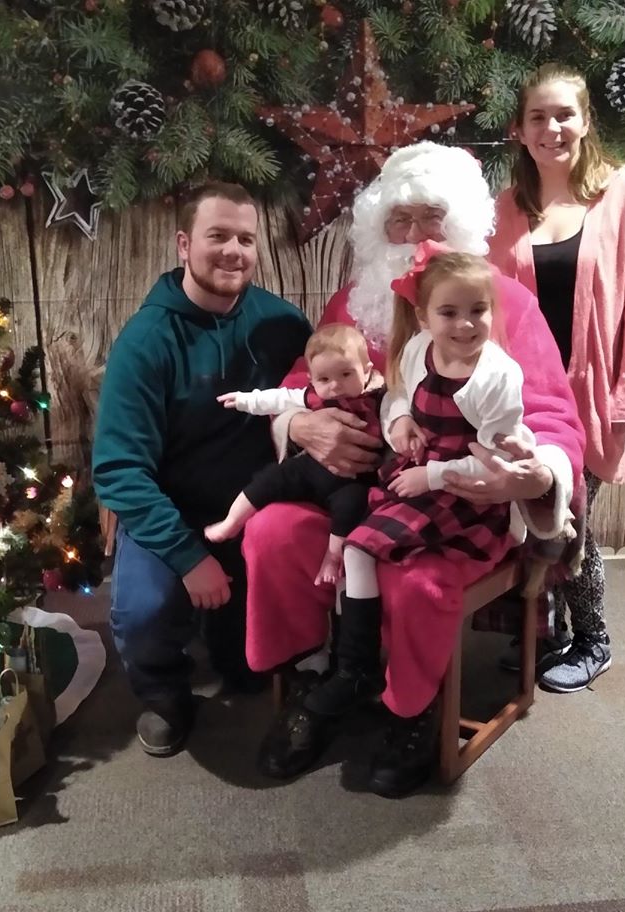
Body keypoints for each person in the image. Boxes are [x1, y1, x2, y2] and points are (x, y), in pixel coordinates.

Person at [242, 142, 586, 798]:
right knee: (274, 535)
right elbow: (300, 383)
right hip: (350, 489)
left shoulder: (501, 302)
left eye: (429, 216)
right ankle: (322, 674)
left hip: (453, 493)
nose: (412, 234)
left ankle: (413, 706)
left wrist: (534, 476)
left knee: (416, 583)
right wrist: (299, 424)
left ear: (458, 223)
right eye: (397, 220)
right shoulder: (354, 301)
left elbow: (548, 417)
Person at [92, 181, 311, 756]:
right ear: (184, 244)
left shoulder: (285, 326)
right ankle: (164, 691)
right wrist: (190, 560)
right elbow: (118, 470)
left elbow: (316, 403)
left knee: (248, 667)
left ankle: (238, 646)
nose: (233, 251)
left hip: (255, 510)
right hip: (173, 514)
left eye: (246, 238)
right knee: (145, 612)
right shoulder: (145, 341)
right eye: (218, 236)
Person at [488, 63, 625, 693]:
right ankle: (550, 631)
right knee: (537, 512)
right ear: (520, 128)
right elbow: (490, 305)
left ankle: (593, 636)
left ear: (586, 121)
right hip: (526, 399)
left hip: (591, 393)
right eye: (537, 116)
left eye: (564, 113)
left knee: (575, 519)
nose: (551, 127)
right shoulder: (506, 209)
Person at [305, 246, 536, 718]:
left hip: (469, 496)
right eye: (449, 312)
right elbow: (400, 397)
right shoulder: (417, 350)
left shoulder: (498, 377)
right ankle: (358, 666)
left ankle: (376, 681)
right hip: (419, 473)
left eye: (478, 311)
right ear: (424, 317)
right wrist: (402, 422)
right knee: (354, 546)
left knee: (364, 548)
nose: (465, 325)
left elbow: (494, 465)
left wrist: (431, 475)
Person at [205, 324, 384, 586]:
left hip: (354, 477)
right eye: (324, 380)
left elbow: (397, 415)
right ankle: (232, 522)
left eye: (346, 374)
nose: (335, 386)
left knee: (352, 506)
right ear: (311, 378)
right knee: (268, 480)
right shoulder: (309, 396)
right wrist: (245, 401)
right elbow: (278, 399)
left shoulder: (378, 397)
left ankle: (333, 558)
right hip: (310, 467)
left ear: (366, 371)